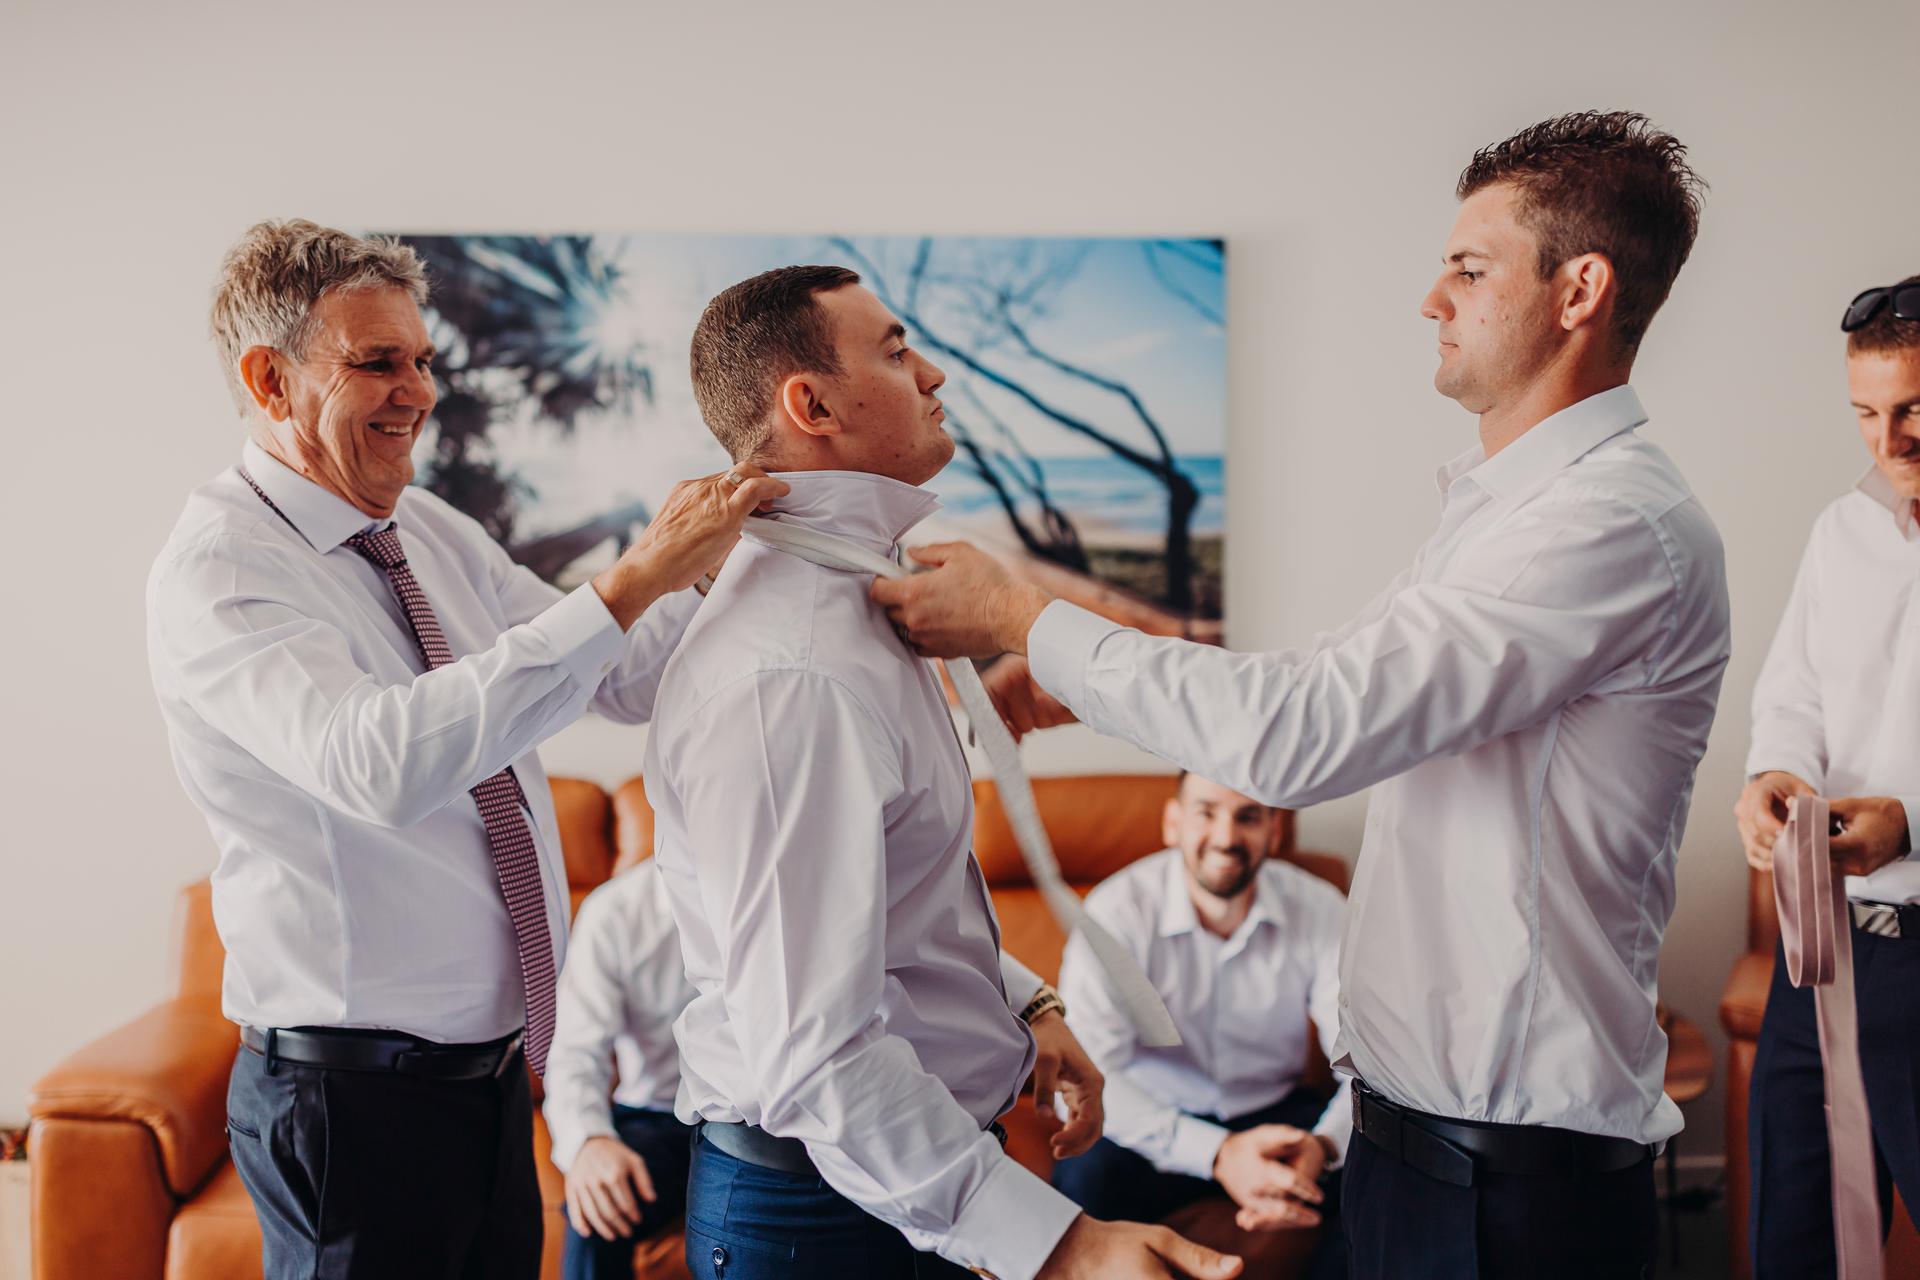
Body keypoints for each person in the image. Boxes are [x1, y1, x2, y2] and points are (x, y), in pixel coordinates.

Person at [873, 111, 1728, 1279]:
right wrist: (1086, 684)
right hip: (1418, 1154)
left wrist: (1026, 616)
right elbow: (1324, 677)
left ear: (1580, 289)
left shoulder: (1605, 524)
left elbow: (1300, 731)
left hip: (1512, 1187)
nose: (1432, 299)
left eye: (1469, 270)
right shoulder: (1504, 514)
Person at [147, 219, 784, 1278]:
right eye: (378, 362)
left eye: (424, 359)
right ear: (271, 379)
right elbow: (377, 761)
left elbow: (618, 671)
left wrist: (728, 567)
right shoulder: (221, 568)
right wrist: (630, 581)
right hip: (348, 1103)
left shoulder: (429, 529)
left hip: (489, 1084)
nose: (421, 391)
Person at [644, 265, 1241, 1279]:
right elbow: (815, 1052)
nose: (933, 370)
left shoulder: (857, 609)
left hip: (881, 1182)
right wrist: (1060, 1244)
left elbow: (888, 910)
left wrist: (1023, 1007)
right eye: (893, 348)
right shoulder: (793, 673)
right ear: (812, 403)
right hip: (823, 1215)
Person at [1736, 274, 1920, 1276]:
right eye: (1866, 413)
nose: (1889, 442)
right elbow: (1794, 695)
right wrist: (1772, 776)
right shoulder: (1838, 534)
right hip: (1828, 952)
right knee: (1795, 1240)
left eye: (1915, 411)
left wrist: (1916, 825)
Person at [1051, 772, 1348, 1279]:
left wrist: (1320, 1148)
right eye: (1206, 812)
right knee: (1078, 1192)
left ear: (1274, 832)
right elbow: (1080, 1080)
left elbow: (1366, 1063)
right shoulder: (1116, 913)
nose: (1227, 837)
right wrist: (1217, 1154)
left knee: (1381, 1179)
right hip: (1151, 1121)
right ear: (1173, 823)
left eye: (1248, 816)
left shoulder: (1321, 909)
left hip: (1277, 1116)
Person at [543, 860, 699, 1279]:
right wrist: (588, 1141)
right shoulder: (613, 911)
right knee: (595, 1209)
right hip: (658, 1117)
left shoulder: (785, 892)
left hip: (762, 1120)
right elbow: (576, 1051)